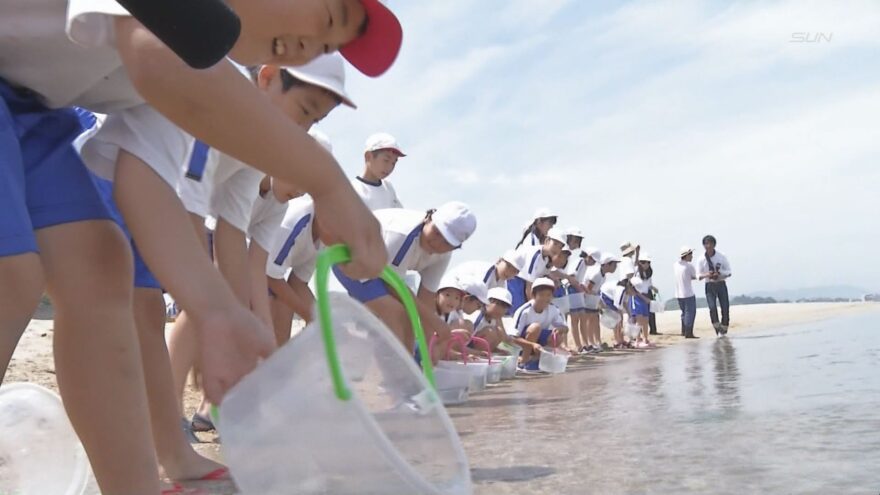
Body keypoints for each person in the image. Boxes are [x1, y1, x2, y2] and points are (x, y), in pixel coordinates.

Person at [0, 1, 402, 491]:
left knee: (100, 263)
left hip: (34, 105)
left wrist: (215, 310)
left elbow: (144, 182)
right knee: (11, 272)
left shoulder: (194, 61)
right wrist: (329, 183)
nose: (314, 46)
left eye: (327, 46)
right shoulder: (182, 51)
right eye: (328, 17)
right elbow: (157, 58)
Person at [166, 54, 354, 434]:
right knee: (186, 313)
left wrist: (255, 336)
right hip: (145, 192)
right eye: (302, 112)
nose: (297, 132)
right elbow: (187, 214)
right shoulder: (223, 113)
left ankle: (174, 430)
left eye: (311, 122)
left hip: (178, 211)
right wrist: (218, 316)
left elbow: (237, 244)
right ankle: (166, 426)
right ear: (266, 77)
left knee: (214, 312)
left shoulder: (256, 162)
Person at [334, 202, 477, 353]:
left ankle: (405, 370)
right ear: (428, 219)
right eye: (436, 232)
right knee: (397, 315)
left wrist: (428, 348)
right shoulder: (400, 234)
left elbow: (427, 297)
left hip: (381, 270)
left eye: (447, 243)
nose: (438, 244)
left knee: (405, 321)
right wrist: (435, 321)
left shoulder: (443, 255)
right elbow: (393, 286)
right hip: (350, 256)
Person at [510, 277, 569, 372]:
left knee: (557, 336)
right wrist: (532, 344)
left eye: (548, 295)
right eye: (541, 295)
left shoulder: (553, 309)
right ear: (533, 295)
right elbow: (513, 338)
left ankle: (537, 360)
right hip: (522, 345)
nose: (545, 298)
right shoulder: (524, 311)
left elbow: (565, 328)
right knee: (535, 327)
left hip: (539, 344)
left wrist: (560, 329)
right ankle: (524, 361)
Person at [506, 227, 567, 314]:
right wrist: (535, 311)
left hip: (525, 283)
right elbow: (529, 286)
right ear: (547, 240)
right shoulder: (535, 255)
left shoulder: (547, 258)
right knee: (520, 313)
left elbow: (543, 274)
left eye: (560, 247)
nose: (557, 248)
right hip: (516, 281)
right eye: (555, 243)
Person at [352, 132, 406, 210]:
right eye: (386, 160)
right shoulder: (354, 190)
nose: (389, 167)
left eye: (394, 163)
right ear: (368, 156)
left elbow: (400, 216)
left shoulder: (388, 188)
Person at [698, 235, 732, 335]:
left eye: (710, 244)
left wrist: (720, 273)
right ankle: (716, 326)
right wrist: (707, 274)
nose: (708, 246)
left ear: (714, 245)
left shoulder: (721, 256)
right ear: (703, 245)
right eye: (706, 244)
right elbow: (698, 275)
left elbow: (729, 271)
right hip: (709, 284)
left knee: (725, 307)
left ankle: (724, 328)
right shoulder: (701, 259)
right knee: (712, 307)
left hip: (721, 283)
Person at [449, 250, 522, 291]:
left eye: (514, 271)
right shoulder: (488, 270)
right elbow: (478, 294)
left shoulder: (502, 281)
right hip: (451, 287)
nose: (509, 272)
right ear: (499, 261)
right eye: (508, 266)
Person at [467, 287, 514, 353]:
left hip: (476, 348)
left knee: (499, 332)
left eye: (504, 306)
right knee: (490, 332)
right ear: (487, 302)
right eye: (497, 304)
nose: (500, 309)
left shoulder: (494, 320)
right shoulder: (476, 316)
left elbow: (505, 338)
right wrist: (476, 353)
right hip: (466, 348)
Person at [630, 255, 655, 348]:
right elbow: (634, 289)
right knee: (639, 319)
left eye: (648, 262)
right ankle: (637, 339)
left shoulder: (647, 273)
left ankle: (645, 338)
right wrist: (637, 252)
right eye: (644, 262)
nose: (647, 264)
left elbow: (648, 285)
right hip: (637, 297)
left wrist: (654, 288)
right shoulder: (636, 273)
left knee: (646, 319)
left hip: (645, 296)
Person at [674, 246, 699, 339]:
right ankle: (688, 332)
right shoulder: (689, 266)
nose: (692, 256)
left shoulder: (676, 265)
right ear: (687, 255)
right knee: (690, 313)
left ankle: (683, 331)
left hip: (678, 293)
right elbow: (696, 276)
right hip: (688, 293)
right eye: (691, 254)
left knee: (684, 313)